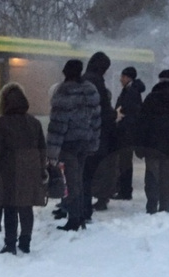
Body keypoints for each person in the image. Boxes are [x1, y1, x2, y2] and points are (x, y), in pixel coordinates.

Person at [0, 82, 47, 255]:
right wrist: (42, 169)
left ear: (3, 103)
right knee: (26, 208)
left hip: (8, 171)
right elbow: (42, 147)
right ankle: (25, 242)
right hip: (30, 171)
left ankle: (10, 244)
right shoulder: (34, 122)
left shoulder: (1, 123)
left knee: (9, 207)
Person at [47, 59, 100, 231]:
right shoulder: (90, 90)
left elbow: (57, 124)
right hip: (85, 142)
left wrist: (52, 152)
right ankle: (81, 216)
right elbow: (96, 120)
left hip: (69, 144)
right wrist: (93, 142)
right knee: (80, 179)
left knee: (72, 183)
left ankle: (75, 219)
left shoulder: (64, 91)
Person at [137, 69, 169, 214]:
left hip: (151, 147)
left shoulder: (150, 99)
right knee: (166, 180)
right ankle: (165, 208)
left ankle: (151, 207)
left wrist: (139, 147)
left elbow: (142, 124)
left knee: (152, 178)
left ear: (160, 81)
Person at [82, 52, 118, 217]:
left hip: (87, 133)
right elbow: (102, 109)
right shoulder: (96, 81)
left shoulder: (86, 79)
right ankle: (88, 206)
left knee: (84, 172)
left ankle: (83, 205)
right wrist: (114, 116)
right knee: (95, 170)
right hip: (98, 134)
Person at [112, 66, 145, 200]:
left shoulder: (131, 92)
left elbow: (126, 110)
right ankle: (124, 189)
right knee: (124, 162)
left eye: (122, 76)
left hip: (126, 133)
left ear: (128, 78)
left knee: (125, 162)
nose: (120, 79)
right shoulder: (131, 90)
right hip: (127, 132)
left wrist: (119, 117)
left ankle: (125, 191)